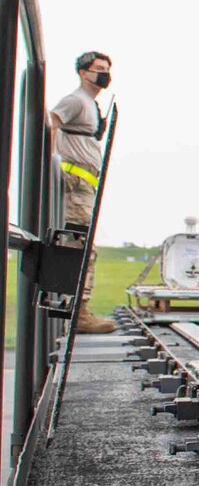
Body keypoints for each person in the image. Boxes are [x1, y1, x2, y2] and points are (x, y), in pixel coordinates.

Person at [49, 51, 117, 334]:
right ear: (83, 72)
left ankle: (79, 308)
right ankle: (79, 312)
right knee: (80, 247)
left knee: (83, 246)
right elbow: (52, 122)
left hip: (84, 185)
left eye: (107, 69)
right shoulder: (76, 100)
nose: (104, 74)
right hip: (75, 185)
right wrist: (51, 161)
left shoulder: (90, 104)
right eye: (98, 68)